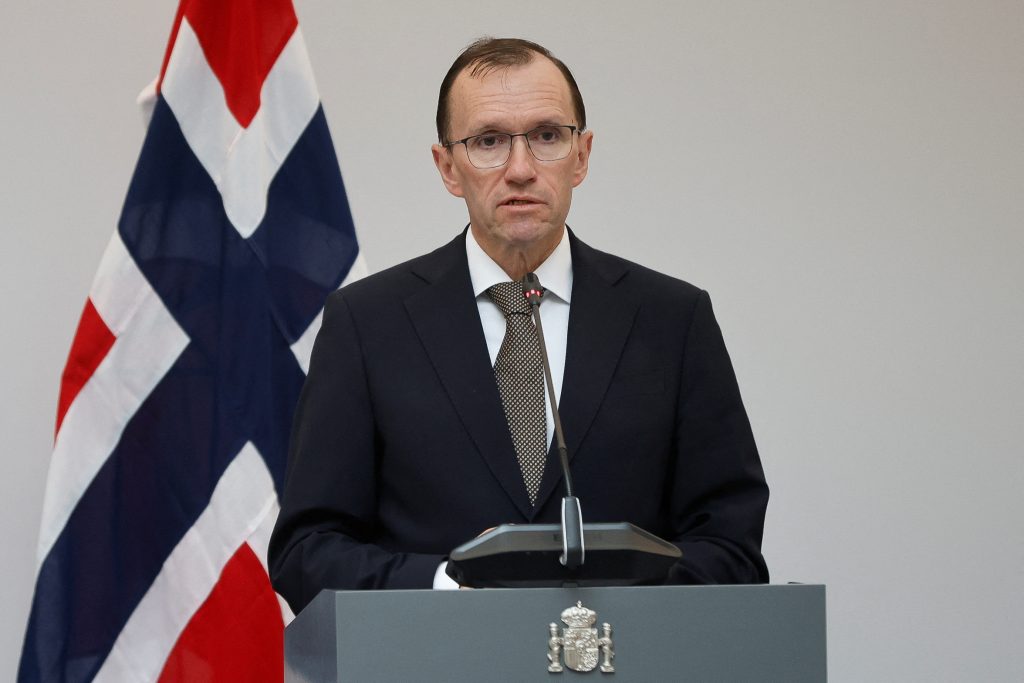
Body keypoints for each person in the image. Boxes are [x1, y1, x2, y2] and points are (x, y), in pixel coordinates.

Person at [268, 37, 768, 614]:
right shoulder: (367, 323)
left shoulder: (672, 319)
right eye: (488, 141)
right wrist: (452, 586)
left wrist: (610, 594)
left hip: (624, 656)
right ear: (447, 168)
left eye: (547, 136)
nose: (521, 169)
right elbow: (308, 551)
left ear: (581, 156)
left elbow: (731, 545)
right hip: (437, 655)